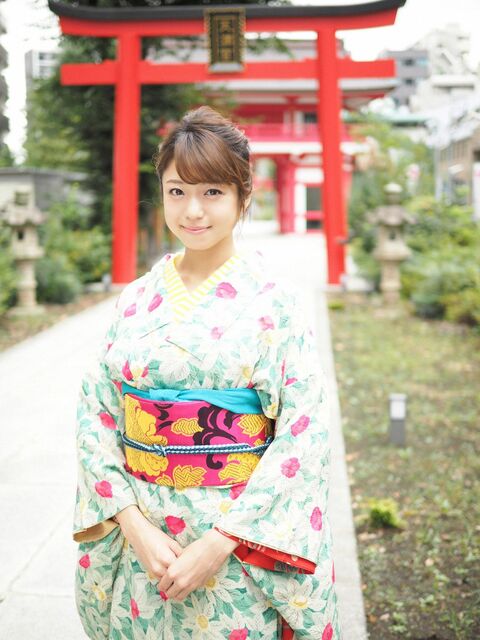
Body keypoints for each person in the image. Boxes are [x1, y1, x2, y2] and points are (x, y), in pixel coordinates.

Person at [73, 105, 341, 640]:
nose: (192, 210)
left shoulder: (276, 301)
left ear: (244, 195)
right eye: (177, 191)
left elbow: (304, 433)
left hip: (237, 545)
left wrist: (220, 542)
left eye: (212, 192)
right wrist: (133, 525)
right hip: (144, 541)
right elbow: (96, 414)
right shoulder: (136, 298)